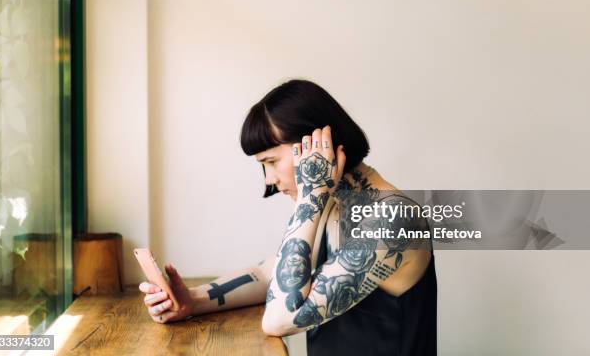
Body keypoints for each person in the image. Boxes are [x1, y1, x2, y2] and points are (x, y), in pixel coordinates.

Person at [139, 79, 437, 355]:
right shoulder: (331, 202)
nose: (269, 179)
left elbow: (280, 318)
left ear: (317, 145)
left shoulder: (395, 219)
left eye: (271, 161)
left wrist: (309, 198)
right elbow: (270, 274)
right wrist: (193, 300)